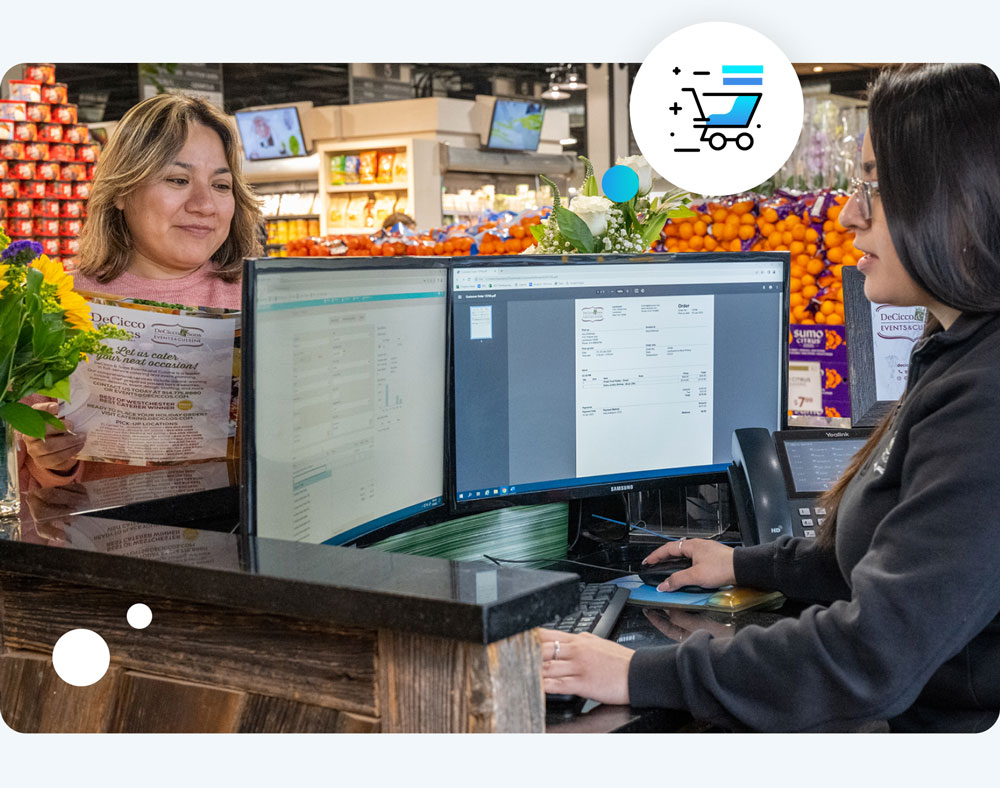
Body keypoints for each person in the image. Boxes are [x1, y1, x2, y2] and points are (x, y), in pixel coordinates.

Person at [540, 63, 1000, 733]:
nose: (848, 214)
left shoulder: (985, 396)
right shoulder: (956, 350)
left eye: (873, 185)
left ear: (951, 199)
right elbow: (898, 552)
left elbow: (869, 657)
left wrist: (635, 672)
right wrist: (742, 563)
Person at [20, 92, 262, 487]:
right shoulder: (58, 304)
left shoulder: (259, 301)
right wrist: (53, 457)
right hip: (104, 539)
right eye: (178, 180)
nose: (204, 204)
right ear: (120, 191)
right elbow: (31, 475)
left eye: (221, 185)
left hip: (233, 535)